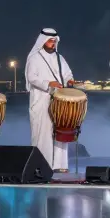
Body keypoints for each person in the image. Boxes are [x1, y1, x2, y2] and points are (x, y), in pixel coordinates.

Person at [26, 28, 76, 172]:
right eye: (50, 41)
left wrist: (70, 81)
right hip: (41, 100)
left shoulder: (59, 58)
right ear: (43, 41)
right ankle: (41, 165)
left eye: (54, 41)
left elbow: (67, 74)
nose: (53, 43)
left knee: (60, 131)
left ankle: (60, 165)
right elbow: (32, 78)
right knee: (42, 133)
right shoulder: (34, 58)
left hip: (59, 101)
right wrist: (49, 83)